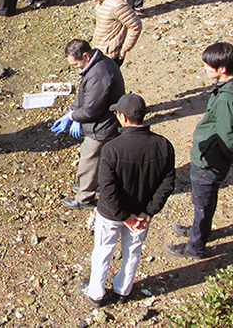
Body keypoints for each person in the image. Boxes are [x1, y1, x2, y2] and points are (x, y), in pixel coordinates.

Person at [83, 94, 176, 307]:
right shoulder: (163, 146)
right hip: (142, 211)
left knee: (103, 250)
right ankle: (123, 289)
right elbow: (168, 183)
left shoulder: (111, 149)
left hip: (111, 214)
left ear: (122, 117)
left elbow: (107, 189)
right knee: (133, 251)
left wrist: (125, 217)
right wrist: (148, 212)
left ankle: (96, 293)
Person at [167, 42, 233, 259]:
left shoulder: (226, 99)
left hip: (210, 160)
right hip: (214, 157)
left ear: (222, 69)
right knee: (203, 202)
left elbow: (228, 136)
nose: (204, 68)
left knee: (203, 204)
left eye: (208, 65)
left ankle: (195, 247)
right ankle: (198, 230)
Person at [51, 39, 125, 210]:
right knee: (93, 156)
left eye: (75, 63)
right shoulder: (96, 64)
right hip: (101, 122)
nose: (75, 66)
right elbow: (85, 95)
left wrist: (73, 116)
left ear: (85, 55)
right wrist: (73, 109)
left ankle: (85, 197)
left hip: (102, 126)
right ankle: (89, 184)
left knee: (90, 159)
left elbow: (92, 110)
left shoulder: (99, 74)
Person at [84, 0, 142, 66]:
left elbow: (135, 25)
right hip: (100, 51)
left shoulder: (117, 5)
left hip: (110, 56)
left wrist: (125, 48)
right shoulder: (102, 1)